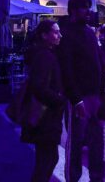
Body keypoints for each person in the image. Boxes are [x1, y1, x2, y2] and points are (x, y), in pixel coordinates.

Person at [59, 0, 105, 182]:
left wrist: (102, 93)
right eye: (83, 8)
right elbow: (66, 69)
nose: (88, 11)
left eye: (88, 7)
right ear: (73, 10)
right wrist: (75, 98)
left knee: (97, 142)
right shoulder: (66, 34)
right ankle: (73, 178)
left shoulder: (89, 32)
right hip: (78, 99)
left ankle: (96, 177)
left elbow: (98, 61)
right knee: (76, 143)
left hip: (95, 96)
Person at [21, 21, 67, 182]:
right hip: (45, 116)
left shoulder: (44, 53)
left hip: (45, 115)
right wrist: (60, 99)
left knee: (47, 158)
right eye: (55, 32)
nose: (59, 36)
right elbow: (39, 87)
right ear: (44, 35)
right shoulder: (45, 56)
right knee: (47, 159)